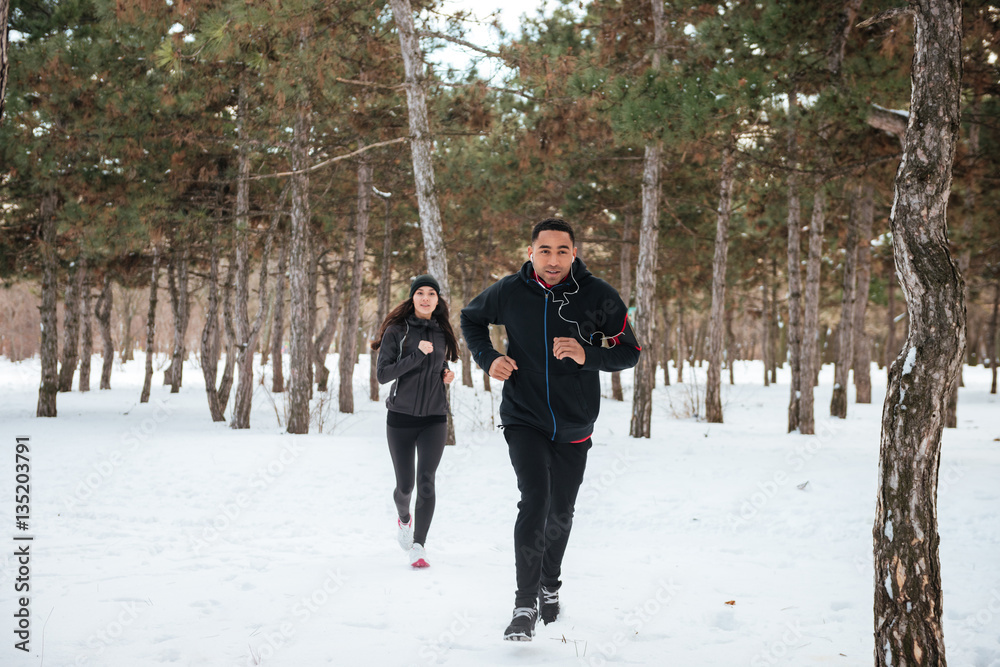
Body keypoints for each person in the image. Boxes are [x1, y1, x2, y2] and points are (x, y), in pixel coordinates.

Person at [460, 218, 641, 640]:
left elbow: (629, 352)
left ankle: (550, 586)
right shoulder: (509, 291)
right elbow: (470, 319)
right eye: (545, 250)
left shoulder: (598, 295)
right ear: (531, 253)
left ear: (574, 253)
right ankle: (524, 605)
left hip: (575, 420)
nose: (553, 259)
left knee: (560, 511)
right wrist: (489, 358)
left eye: (562, 251)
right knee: (535, 500)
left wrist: (587, 353)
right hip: (524, 415)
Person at [372, 274, 458, 568]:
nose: (425, 298)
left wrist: (445, 373)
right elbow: (383, 374)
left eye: (431, 293)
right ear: (412, 297)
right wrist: (417, 356)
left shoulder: (441, 332)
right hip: (401, 419)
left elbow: (439, 362)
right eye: (420, 292)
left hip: (435, 418)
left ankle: (419, 546)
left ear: (437, 299)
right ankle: (404, 518)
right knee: (405, 487)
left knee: (427, 482)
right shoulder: (397, 331)